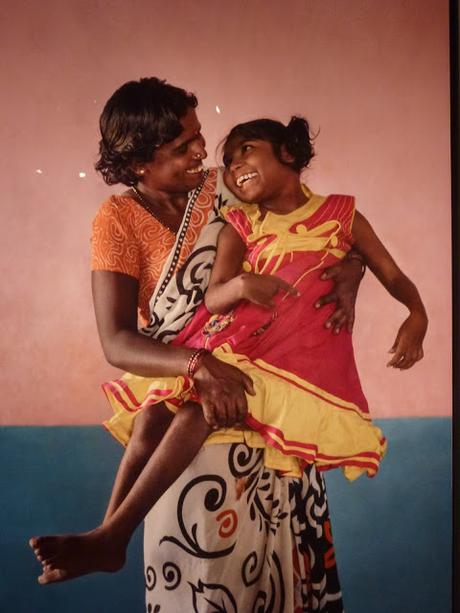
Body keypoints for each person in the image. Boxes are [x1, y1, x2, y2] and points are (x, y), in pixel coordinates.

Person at [30, 78, 372, 612]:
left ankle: (107, 537)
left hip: (265, 403)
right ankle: (111, 536)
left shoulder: (229, 187)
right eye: (180, 148)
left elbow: (314, 224)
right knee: (197, 584)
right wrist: (199, 364)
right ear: (139, 163)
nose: (200, 153)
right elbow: (117, 341)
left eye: (197, 137)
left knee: (281, 583)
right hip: (188, 426)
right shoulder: (117, 222)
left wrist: (353, 269)